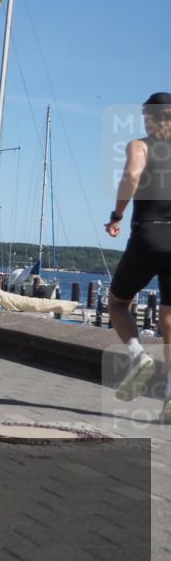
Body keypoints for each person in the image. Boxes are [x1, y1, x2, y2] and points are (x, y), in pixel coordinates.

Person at [105, 92, 171, 424]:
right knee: (170, 321)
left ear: (148, 117)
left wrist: (116, 214)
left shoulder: (140, 146)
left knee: (117, 302)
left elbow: (131, 176)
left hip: (149, 234)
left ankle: (138, 355)